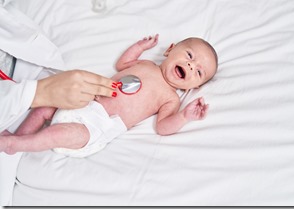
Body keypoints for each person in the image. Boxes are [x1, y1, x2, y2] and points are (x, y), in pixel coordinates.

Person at [0, 34, 218, 157]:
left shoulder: (170, 98)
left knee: (60, 134)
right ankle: (18, 136)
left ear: (195, 86)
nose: (191, 66)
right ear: (170, 50)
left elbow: (163, 126)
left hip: (98, 126)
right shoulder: (146, 64)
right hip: (84, 102)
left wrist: (184, 116)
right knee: (45, 107)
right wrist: (139, 46)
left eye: (199, 72)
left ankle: (18, 145)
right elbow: (122, 64)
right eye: (190, 55)